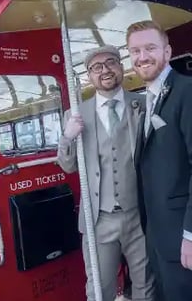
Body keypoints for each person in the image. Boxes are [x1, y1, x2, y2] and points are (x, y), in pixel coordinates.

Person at [126, 20, 192, 301]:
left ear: (167, 53)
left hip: (185, 236)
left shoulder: (187, 91)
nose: (142, 57)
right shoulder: (150, 100)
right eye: (135, 51)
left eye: (149, 48)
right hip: (160, 236)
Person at [57, 45, 154, 301]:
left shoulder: (143, 104)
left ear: (121, 67)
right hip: (99, 219)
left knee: (147, 283)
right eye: (96, 67)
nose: (105, 70)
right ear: (89, 76)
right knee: (99, 289)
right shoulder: (76, 114)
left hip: (139, 215)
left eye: (111, 62)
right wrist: (67, 138)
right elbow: (67, 166)